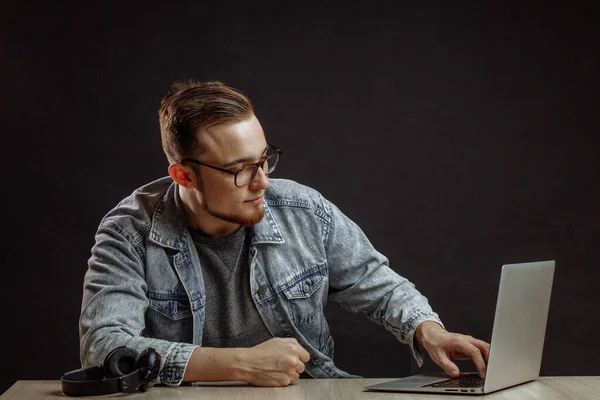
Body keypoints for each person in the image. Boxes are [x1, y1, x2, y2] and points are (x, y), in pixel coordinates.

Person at [80, 80, 490, 388]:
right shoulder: (129, 233)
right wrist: (240, 364)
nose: (262, 183)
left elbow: (379, 286)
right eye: (241, 169)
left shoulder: (304, 209)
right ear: (184, 175)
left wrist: (429, 330)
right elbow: (104, 346)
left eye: (264, 160)